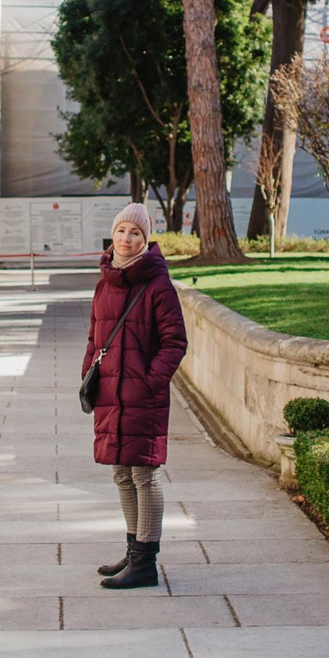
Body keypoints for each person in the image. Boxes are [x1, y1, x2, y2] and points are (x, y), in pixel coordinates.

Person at [83, 203, 187, 590]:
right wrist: (88, 376)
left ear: (146, 239)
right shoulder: (105, 282)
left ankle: (146, 563)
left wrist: (149, 381)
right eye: (122, 231)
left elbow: (175, 341)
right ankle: (132, 550)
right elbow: (94, 338)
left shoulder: (157, 284)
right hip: (110, 392)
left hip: (143, 395)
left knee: (144, 473)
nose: (127, 239)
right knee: (121, 473)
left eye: (136, 233)